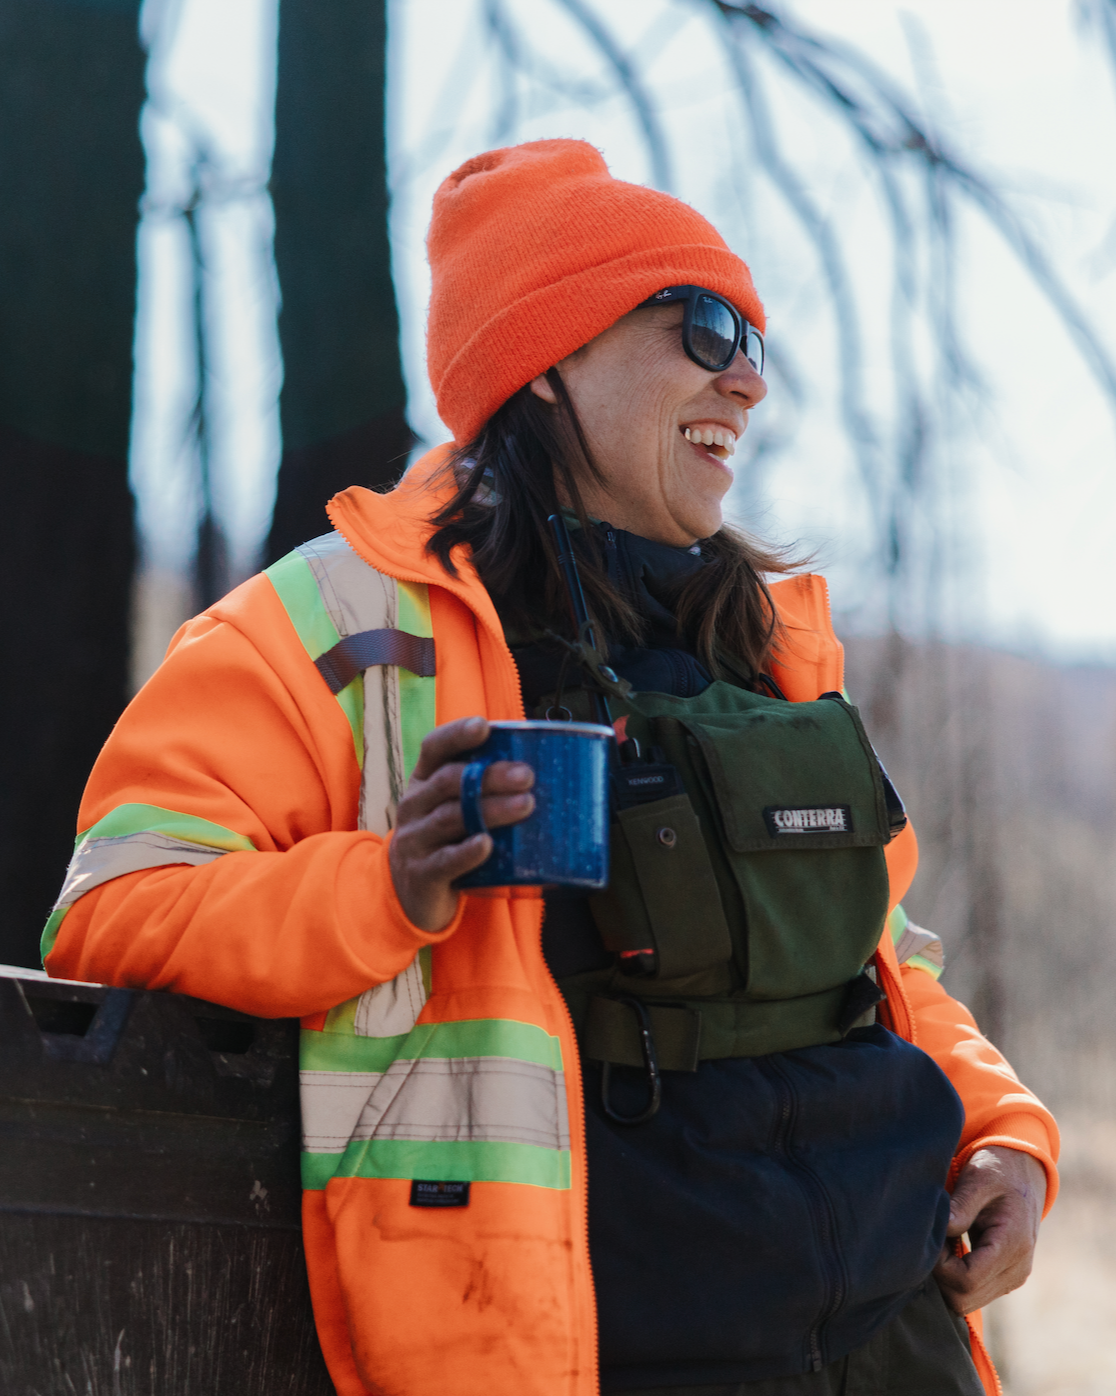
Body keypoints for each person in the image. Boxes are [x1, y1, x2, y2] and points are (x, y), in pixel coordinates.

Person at [44, 139, 1057, 1396]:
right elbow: (111, 913)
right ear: (548, 359)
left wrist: (1003, 1132)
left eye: (754, 341)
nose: (748, 380)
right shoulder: (326, 627)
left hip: (897, 1341)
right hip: (605, 1350)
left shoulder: (768, 640)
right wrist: (385, 889)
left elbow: (881, 960)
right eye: (704, 328)